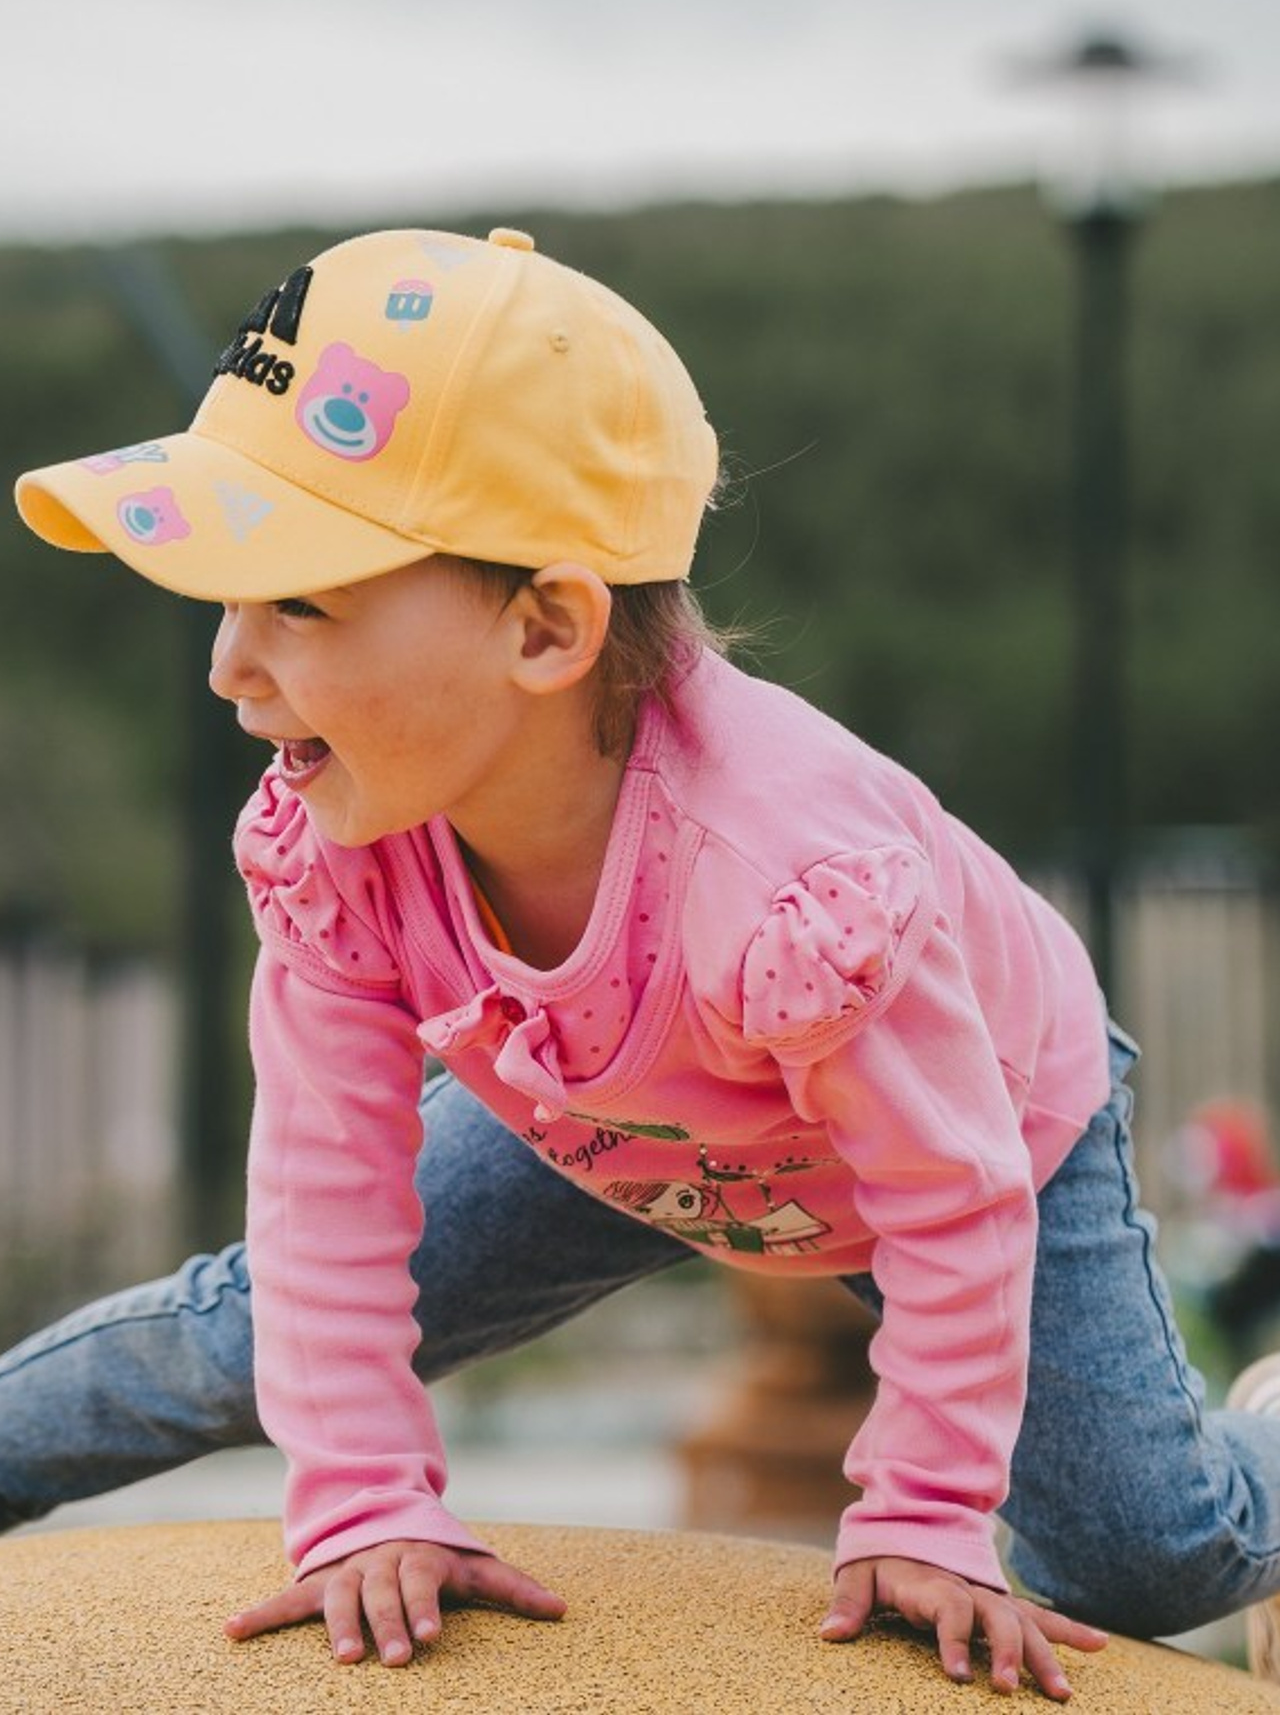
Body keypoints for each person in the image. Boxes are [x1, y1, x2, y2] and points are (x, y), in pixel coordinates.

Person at [8, 223, 1280, 1699]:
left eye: (300, 602)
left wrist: (925, 1514)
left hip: (975, 1132)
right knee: (240, 1329)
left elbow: (952, 1193)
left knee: (1142, 1563)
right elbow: (321, 1200)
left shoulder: (784, 881)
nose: (228, 664)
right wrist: (362, 1502)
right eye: (230, 600)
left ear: (546, 627)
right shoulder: (340, 835)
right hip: (602, 1113)